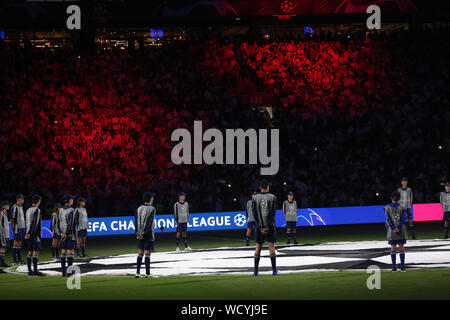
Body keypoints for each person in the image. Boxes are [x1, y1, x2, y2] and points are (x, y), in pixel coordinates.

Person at [252, 180, 280, 276]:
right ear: (267, 187)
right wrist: (267, 226)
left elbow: (254, 213)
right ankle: (274, 271)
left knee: (258, 247)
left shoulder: (255, 198)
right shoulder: (272, 197)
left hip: (259, 227)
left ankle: (255, 271)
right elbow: (273, 213)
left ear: (260, 187)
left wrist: (260, 226)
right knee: (271, 247)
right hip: (270, 226)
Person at [135, 191, 157, 278]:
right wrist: (144, 233)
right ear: (150, 199)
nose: (153, 199)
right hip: (148, 234)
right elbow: (149, 223)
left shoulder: (139, 208)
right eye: (152, 197)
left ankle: (137, 273)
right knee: (148, 253)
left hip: (139, 234)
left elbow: (136, 222)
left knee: (140, 253)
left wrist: (138, 233)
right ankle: (147, 274)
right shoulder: (152, 209)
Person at [385, 190, 407, 272]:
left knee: (393, 248)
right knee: (401, 247)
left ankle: (394, 267)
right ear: (399, 198)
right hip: (401, 230)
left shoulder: (387, 207)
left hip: (392, 230)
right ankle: (402, 266)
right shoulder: (402, 207)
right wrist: (399, 227)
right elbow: (404, 219)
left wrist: (393, 227)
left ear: (391, 198)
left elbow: (388, 219)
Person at [24, 195, 45, 276]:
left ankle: (30, 271)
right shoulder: (37, 210)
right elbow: (35, 223)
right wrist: (31, 233)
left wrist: (27, 233)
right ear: (38, 201)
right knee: (36, 251)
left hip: (28, 233)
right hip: (34, 234)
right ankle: (35, 271)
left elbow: (28, 222)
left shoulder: (28, 210)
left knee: (30, 251)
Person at [59, 194, 76, 276]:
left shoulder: (61, 210)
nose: (73, 200)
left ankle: (63, 272)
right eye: (72, 199)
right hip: (69, 234)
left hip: (62, 234)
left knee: (63, 252)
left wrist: (61, 233)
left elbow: (59, 222)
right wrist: (66, 233)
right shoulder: (71, 210)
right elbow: (70, 223)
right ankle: (69, 271)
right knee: (70, 251)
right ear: (69, 201)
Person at [10, 194, 25, 266]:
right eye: (22, 199)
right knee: (16, 243)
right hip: (17, 228)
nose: (23, 200)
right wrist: (12, 229)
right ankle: (14, 261)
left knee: (20, 243)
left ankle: (19, 260)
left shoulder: (21, 207)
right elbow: (12, 219)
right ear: (18, 199)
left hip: (22, 227)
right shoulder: (15, 207)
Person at [0, 201, 11, 268]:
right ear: (4, 206)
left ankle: (2, 262)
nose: (9, 206)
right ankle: (2, 263)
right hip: (2, 233)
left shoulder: (4, 213)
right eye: (8, 205)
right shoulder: (1, 213)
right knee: (2, 247)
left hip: (5, 233)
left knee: (4, 247)